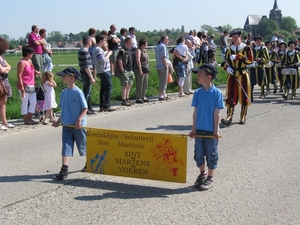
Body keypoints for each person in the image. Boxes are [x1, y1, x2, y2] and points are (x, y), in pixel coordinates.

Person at [189, 64, 224, 191]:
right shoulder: (197, 93)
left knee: (211, 154)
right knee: (198, 154)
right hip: (199, 130)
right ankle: (202, 173)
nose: (197, 76)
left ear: (208, 77)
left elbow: (217, 112)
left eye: (200, 74)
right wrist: (194, 129)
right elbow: (196, 112)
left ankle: (210, 177)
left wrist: (216, 130)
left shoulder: (216, 93)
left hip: (210, 131)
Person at [52, 67, 88, 180]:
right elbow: (64, 109)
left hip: (78, 126)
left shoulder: (78, 92)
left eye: (64, 76)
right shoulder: (63, 93)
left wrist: (79, 120)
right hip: (67, 125)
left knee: (83, 145)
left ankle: (90, 162)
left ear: (72, 78)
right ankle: (64, 169)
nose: (62, 78)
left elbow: (85, 108)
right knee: (66, 147)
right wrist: (58, 121)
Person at [221, 30, 253, 125]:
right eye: (233, 37)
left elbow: (250, 60)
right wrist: (227, 68)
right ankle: (229, 117)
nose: (235, 39)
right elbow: (224, 62)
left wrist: (239, 57)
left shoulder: (246, 48)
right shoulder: (229, 49)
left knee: (244, 95)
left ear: (240, 37)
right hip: (232, 74)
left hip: (243, 73)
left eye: (236, 37)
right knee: (231, 95)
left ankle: (243, 117)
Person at [17, 45, 41, 125]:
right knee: (25, 102)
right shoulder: (21, 63)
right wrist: (22, 87)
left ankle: (30, 117)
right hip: (24, 84)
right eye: (31, 53)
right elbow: (19, 75)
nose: (33, 54)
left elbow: (32, 69)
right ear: (28, 53)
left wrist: (36, 72)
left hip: (31, 84)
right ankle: (26, 119)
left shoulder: (30, 61)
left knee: (33, 101)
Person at [93, 34, 115, 112]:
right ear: (101, 40)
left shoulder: (97, 49)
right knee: (108, 87)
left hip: (102, 70)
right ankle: (107, 105)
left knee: (103, 89)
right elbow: (102, 60)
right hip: (104, 71)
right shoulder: (98, 49)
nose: (105, 42)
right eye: (104, 40)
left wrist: (106, 52)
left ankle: (102, 106)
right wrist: (109, 54)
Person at [78, 36, 96, 114]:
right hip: (86, 73)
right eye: (91, 42)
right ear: (88, 42)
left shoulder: (81, 50)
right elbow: (86, 66)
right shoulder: (85, 51)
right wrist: (91, 77)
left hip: (85, 72)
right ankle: (85, 108)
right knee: (87, 92)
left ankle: (89, 107)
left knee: (88, 91)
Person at [0, 37, 14, 130]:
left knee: (3, 101)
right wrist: (6, 69)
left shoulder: (2, 57)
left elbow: (9, 66)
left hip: (4, 80)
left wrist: (6, 69)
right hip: (0, 80)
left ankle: (4, 121)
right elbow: (2, 69)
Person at [116, 37, 135, 106]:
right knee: (125, 85)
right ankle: (123, 100)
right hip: (125, 70)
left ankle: (127, 98)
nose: (131, 44)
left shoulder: (129, 50)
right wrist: (122, 70)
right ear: (126, 43)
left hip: (130, 70)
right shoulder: (122, 50)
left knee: (130, 85)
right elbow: (119, 60)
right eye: (130, 43)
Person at [134, 38, 150, 104]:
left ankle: (144, 96)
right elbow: (138, 60)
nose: (147, 45)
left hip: (145, 68)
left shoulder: (144, 50)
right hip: (140, 68)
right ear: (142, 44)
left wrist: (148, 69)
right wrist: (140, 70)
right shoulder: (138, 50)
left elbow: (147, 60)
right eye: (146, 43)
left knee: (145, 83)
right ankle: (138, 97)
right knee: (140, 83)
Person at [155, 36, 169, 101]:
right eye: (167, 39)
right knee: (163, 81)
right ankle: (161, 95)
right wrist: (166, 66)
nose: (168, 40)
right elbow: (163, 57)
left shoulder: (158, 46)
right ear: (164, 40)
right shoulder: (163, 46)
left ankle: (164, 93)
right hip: (163, 66)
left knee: (162, 80)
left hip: (158, 66)